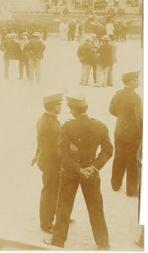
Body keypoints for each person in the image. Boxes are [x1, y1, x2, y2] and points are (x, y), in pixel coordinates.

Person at [45, 94, 113, 250]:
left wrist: (78, 169)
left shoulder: (67, 127)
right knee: (96, 208)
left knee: (64, 206)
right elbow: (108, 150)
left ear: (74, 110)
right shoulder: (100, 126)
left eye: (70, 108)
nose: (69, 111)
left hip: (71, 173)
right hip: (91, 173)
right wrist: (94, 166)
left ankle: (58, 241)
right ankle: (103, 243)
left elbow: (62, 154)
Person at [31, 93, 62, 233]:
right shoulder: (49, 123)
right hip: (51, 163)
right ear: (54, 106)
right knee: (49, 191)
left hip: (49, 161)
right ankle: (46, 223)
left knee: (54, 189)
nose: (61, 106)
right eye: (59, 104)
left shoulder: (49, 119)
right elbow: (52, 147)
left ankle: (54, 214)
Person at [109, 71, 142, 197]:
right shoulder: (136, 97)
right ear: (129, 82)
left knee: (119, 157)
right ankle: (131, 190)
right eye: (136, 80)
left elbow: (111, 109)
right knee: (133, 160)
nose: (138, 82)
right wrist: (141, 133)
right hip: (133, 133)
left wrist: (122, 117)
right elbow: (139, 117)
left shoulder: (118, 94)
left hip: (119, 130)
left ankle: (115, 184)